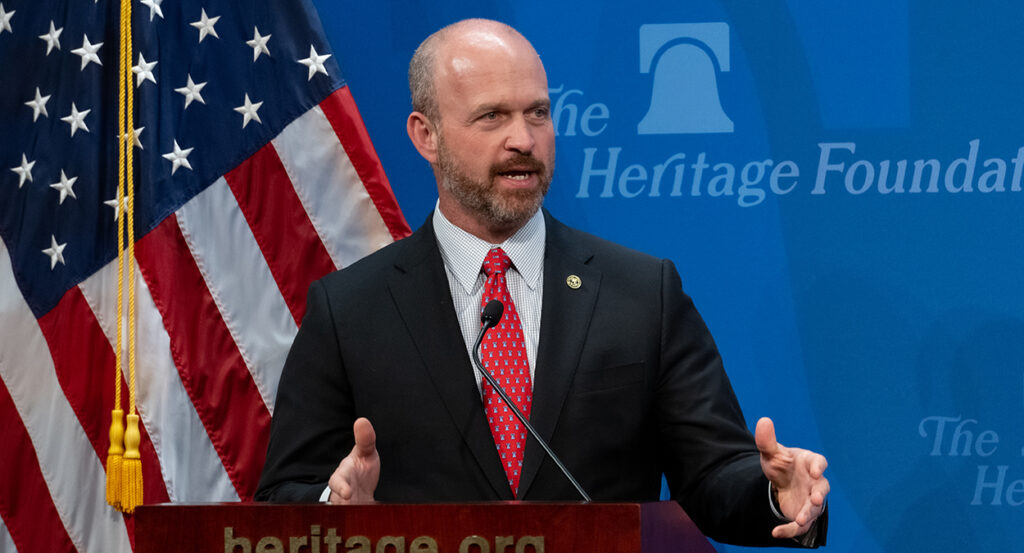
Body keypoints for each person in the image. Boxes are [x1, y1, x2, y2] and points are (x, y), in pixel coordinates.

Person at [256, 18, 829, 547]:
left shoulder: (642, 292)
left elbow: (711, 473)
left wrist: (776, 496)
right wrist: (332, 507)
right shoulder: (351, 308)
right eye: (492, 117)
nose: (524, 140)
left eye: (537, 113)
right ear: (425, 135)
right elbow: (283, 495)